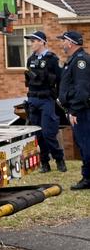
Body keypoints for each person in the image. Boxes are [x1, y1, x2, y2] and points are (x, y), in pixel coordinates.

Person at [24, 31, 66, 173]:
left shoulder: (52, 59)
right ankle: (44, 163)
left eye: (34, 41)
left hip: (47, 100)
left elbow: (61, 80)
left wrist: (60, 97)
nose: (32, 44)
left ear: (42, 42)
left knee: (48, 132)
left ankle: (59, 159)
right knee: (38, 133)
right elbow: (29, 80)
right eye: (31, 41)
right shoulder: (30, 60)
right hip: (33, 100)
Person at [57, 31, 90, 190]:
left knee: (86, 144)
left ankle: (88, 178)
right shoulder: (73, 60)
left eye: (63, 40)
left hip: (82, 111)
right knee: (83, 143)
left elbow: (82, 89)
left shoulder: (80, 61)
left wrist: (75, 110)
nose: (61, 43)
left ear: (70, 43)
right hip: (78, 110)